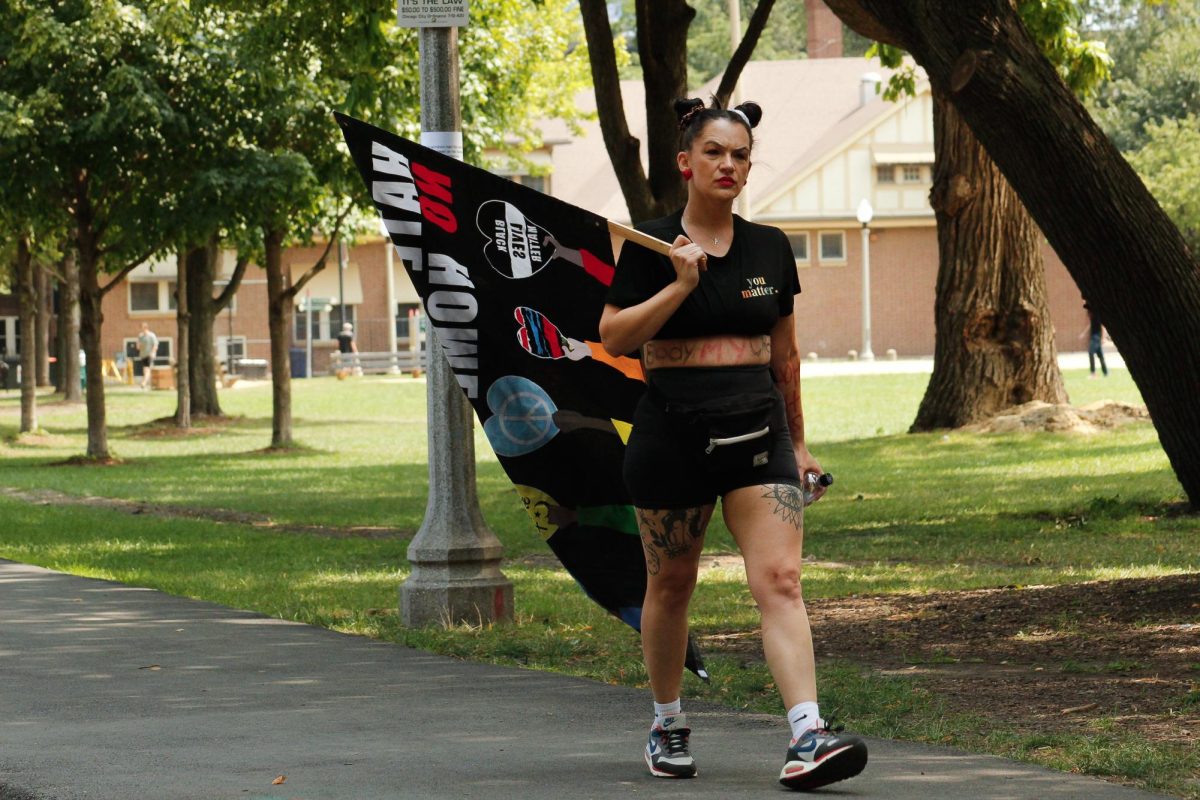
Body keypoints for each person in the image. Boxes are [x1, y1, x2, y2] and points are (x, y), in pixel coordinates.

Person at [599, 97, 867, 791]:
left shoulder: (770, 249)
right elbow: (616, 338)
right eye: (714, 152)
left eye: (740, 155)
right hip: (670, 438)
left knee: (780, 580)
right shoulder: (650, 245)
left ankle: (807, 733)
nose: (729, 164)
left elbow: (786, 356)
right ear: (686, 163)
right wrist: (679, 283)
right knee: (672, 582)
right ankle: (666, 722)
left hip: (759, 435)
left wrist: (800, 444)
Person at [1080, 303, 1108, 378]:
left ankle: (1093, 373)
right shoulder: (1092, 317)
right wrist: (1084, 333)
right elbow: (1090, 325)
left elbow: (1103, 326)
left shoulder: (1097, 316)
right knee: (1100, 355)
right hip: (1094, 337)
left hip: (1096, 338)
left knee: (1091, 352)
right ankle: (1106, 372)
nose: (1088, 315)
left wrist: (1103, 338)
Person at [136, 322, 158, 390]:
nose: (142, 330)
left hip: (150, 355)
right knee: (145, 370)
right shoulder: (140, 336)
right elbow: (138, 346)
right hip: (143, 355)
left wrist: (152, 353)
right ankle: (148, 383)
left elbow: (155, 345)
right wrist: (139, 346)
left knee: (147, 369)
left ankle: (144, 383)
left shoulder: (152, 335)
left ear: (146, 328)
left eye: (143, 328)